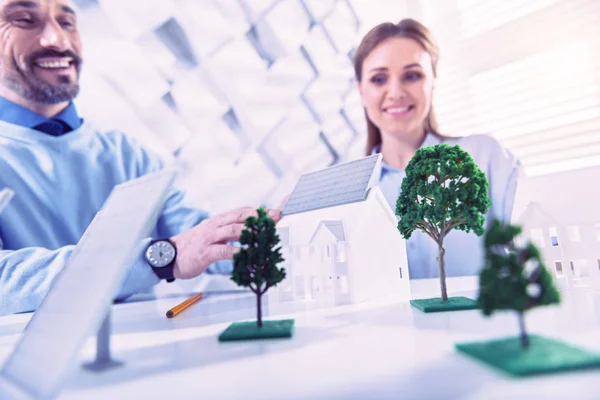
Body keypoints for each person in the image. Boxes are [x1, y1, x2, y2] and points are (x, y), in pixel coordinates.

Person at [0, 0, 281, 315]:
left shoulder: (128, 155)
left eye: (67, 22)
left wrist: (274, 235)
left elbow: (197, 240)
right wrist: (162, 257)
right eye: (24, 19)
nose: (58, 40)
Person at [354, 19, 522, 279]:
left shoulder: (484, 156)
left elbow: (538, 242)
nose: (395, 92)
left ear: (433, 81)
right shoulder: (351, 194)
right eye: (378, 79)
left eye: (412, 75)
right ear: (361, 92)